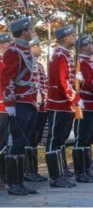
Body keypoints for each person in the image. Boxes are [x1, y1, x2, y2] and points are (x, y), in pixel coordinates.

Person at [1, 18, 39, 195]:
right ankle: (13, 184)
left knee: (23, 143)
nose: (32, 32)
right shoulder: (13, 51)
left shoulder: (25, 50)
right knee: (16, 143)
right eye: (30, 29)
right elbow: (6, 78)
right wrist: (9, 103)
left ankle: (20, 182)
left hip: (29, 102)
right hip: (19, 103)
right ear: (23, 31)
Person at [46, 24, 83, 188]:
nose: (75, 37)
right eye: (72, 35)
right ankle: (55, 177)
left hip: (65, 104)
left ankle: (61, 172)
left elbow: (69, 80)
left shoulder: (67, 55)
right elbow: (62, 82)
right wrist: (74, 98)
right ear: (65, 38)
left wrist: (78, 80)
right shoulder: (60, 55)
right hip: (58, 103)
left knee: (60, 139)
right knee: (54, 140)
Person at [72, 34, 93, 183]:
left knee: (89, 138)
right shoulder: (80, 62)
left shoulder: (91, 62)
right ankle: (80, 172)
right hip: (85, 102)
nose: (92, 46)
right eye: (89, 44)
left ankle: (87, 168)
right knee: (82, 138)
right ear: (83, 47)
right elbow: (87, 83)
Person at [25, 36, 48, 182]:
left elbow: (44, 84)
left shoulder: (39, 65)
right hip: (31, 105)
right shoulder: (27, 63)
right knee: (28, 138)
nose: (40, 48)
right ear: (31, 47)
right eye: (38, 46)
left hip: (41, 107)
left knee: (35, 138)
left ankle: (33, 170)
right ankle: (27, 170)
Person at [0, 33, 12, 189]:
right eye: (8, 43)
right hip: (1, 106)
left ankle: (3, 175)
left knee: (3, 144)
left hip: (5, 107)